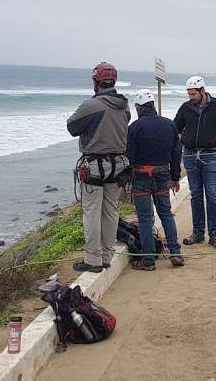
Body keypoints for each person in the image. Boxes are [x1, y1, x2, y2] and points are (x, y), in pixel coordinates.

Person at [66, 62, 131, 273]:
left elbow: (72, 127)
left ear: (96, 81)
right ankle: (106, 255)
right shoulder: (124, 105)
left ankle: (93, 259)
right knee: (110, 211)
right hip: (118, 165)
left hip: (95, 165)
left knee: (92, 212)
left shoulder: (91, 105)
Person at [174, 75, 216, 249]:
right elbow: (175, 127)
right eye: (189, 94)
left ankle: (214, 234)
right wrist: (184, 139)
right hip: (190, 155)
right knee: (195, 195)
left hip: (210, 155)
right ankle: (198, 232)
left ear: (202, 91)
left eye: (193, 94)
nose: (191, 97)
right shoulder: (186, 108)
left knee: (211, 194)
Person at [127, 89, 184, 271]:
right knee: (166, 214)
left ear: (138, 107)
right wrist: (175, 177)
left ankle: (149, 260)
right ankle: (175, 253)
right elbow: (176, 153)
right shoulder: (169, 125)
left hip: (141, 176)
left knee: (144, 219)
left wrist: (127, 180)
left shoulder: (134, 128)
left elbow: (130, 157)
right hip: (163, 175)